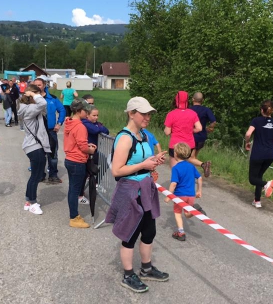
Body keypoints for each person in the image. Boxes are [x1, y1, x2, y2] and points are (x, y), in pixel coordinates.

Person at [105, 97, 169, 293]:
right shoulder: (125, 138)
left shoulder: (144, 135)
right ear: (131, 113)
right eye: (144, 114)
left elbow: (143, 161)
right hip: (130, 191)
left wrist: (153, 161)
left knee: (149, 231)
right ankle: (128, 274)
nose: (148, 117)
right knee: (130, 234)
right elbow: (116, 170)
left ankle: (146, 268)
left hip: (146, 189)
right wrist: (143, 165)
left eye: (149, 114)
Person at [245, 100, 273, 208]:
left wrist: (247, 142)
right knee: (259, 176)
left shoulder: (256, 121)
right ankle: (257, 201)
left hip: (257, 154)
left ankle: (266, 184)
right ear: (271, 111)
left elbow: (248, 134)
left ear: (261, 110)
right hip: (270, 154)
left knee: (252, 179)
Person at [18, 84, 51, 215]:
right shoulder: (30, 108)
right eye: (36, 94)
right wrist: (32, 94)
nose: (39, 95)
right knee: (36, 176)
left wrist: (32, 94)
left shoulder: (27, 109)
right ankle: (32, 202)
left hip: (33, 145)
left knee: (35, 175)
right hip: (35, 146)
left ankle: (28, 200)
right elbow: (43, 103)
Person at [63, 98, 97, 228]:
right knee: (75, 190)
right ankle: (74, 217)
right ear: (79, 111)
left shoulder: (69, 122)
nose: (87, 113)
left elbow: (75, 141)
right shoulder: (81, 126)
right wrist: (91, 149)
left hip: (70, 158)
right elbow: (83, 147)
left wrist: (86, 145)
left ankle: (74, 215)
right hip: (77, 161)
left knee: (73, 188)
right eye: (85, 110)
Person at [164, 142, 203, 241]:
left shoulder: (176, 168)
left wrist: (169, 196)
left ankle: (181, 233)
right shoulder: (191, 166)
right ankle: (195, 211)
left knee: (177, 213)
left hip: (179, 195)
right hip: (191, 195)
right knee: (187, 214)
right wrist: (199, 190)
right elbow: (200, 178)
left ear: (176, 154)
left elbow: (173, 183)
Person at [33, 76, 66, 184]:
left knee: (53, 154)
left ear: (44, 86)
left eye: (39, 85)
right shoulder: (30, 99)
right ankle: (40, 175)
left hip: (51, 131)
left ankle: (53, 175)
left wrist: (59, 123)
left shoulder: (52, 98)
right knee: (39, 154)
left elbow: (62, 110)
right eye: (35, 85)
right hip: (37, 131)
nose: (37, 87)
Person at [78, 105, 109, 205]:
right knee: (83, 174)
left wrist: (99, 127)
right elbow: (96, 130)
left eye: (97, 115)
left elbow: (106, 130)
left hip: (93, 151)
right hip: (86, 151)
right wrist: (99, 127)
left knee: (105, 162)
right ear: (87, 115)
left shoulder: (94, 124)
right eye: (94, 115)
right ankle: (80, 195)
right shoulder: (85, 122)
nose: (96, 118)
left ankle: (95, 182)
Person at [164, 91, 203, 170]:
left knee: (176, 170)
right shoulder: (193, 113)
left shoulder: (171, 114)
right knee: (186, 168)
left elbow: (167, 132)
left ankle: (177, 182)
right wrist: (190, 130)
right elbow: (199, 128)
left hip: (175, 145)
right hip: (189, 145)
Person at [190, 92, 216, 177]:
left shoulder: (189, 110)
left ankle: (204, 165)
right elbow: (213, 121)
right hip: (201, 137)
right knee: (194, 157)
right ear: (203, 100)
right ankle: (194, 176)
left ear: (193, 99)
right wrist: (210, 128)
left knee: (189, 158)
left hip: (191, 136)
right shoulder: (206, 110)